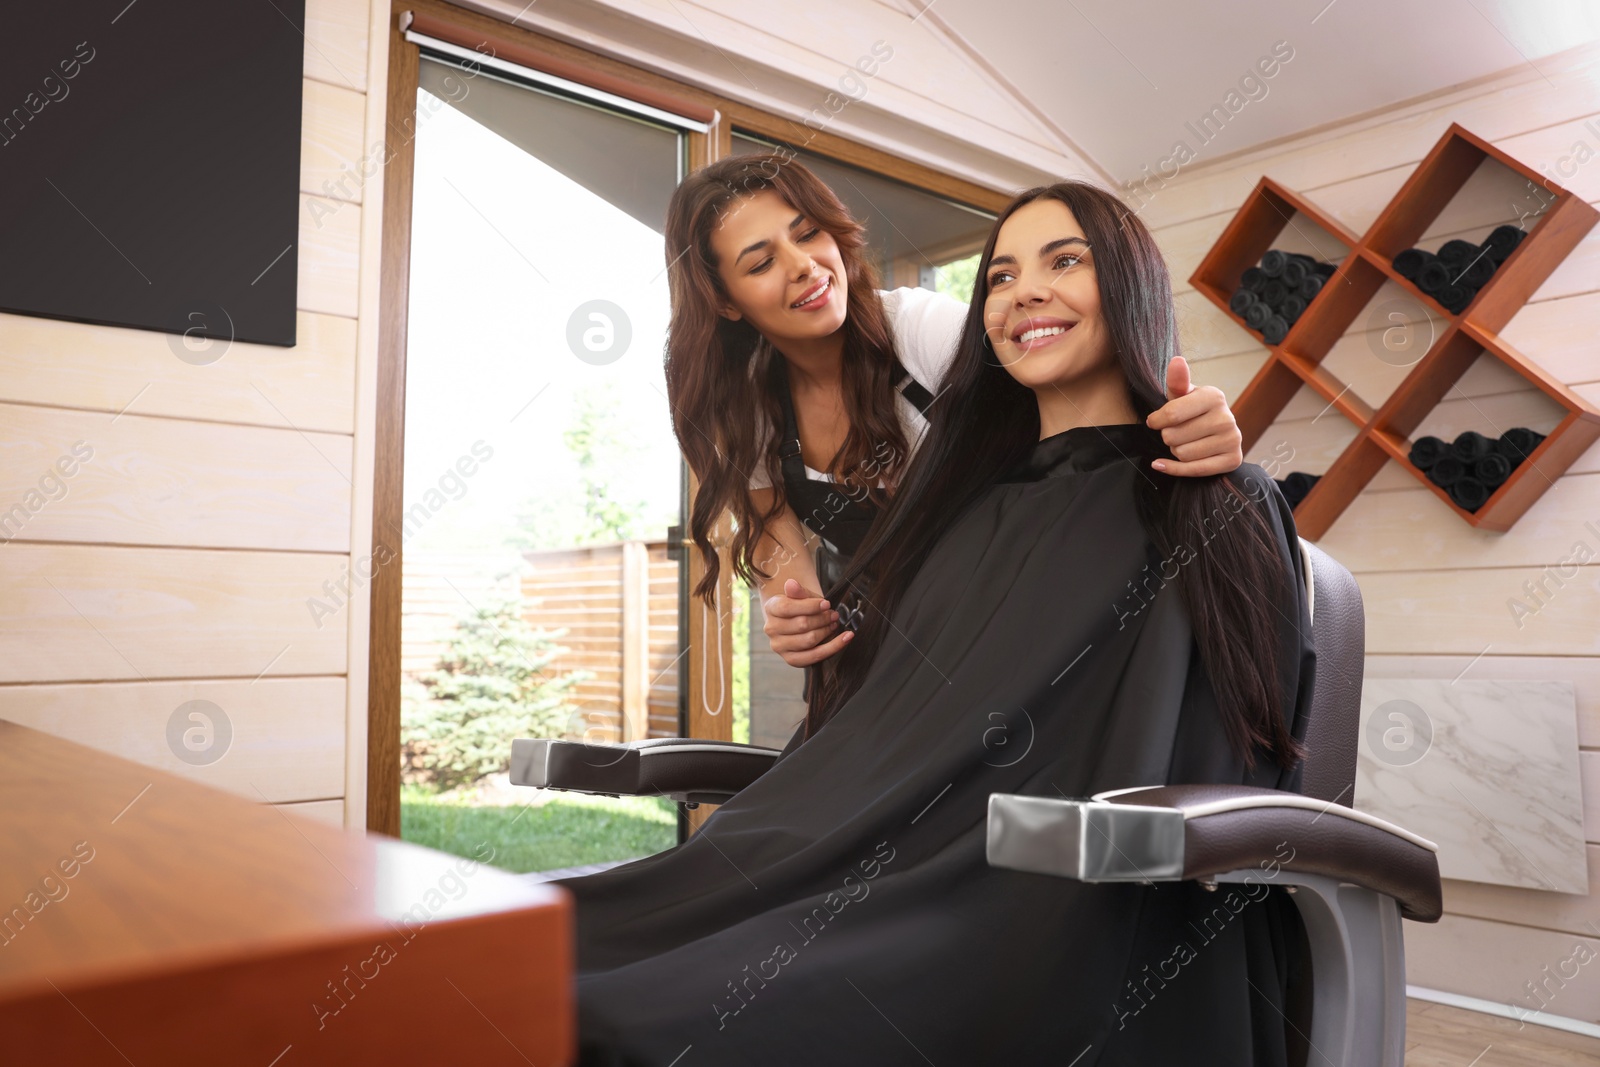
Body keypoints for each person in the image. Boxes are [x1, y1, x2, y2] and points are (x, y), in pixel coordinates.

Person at [557, 178, 1315, 1065]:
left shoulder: (1207, 501)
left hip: (1046, 900)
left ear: (1131, 283)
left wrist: (1212, 446)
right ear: (725, 298)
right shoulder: (952, 521)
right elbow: (793, 571)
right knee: (551, 959)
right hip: (875, 833)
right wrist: (801, 618)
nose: (1025, 291)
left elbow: (1227, 756)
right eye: (1000, 275)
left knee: (659, 1020)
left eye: (1065, 261)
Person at [663, 152, 1245, 673]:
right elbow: (770, 527)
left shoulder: (918, 331)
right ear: (722, 299)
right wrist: (789, 609)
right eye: (761, 264)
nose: (805, 266)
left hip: (1008, 625)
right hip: (883, 654)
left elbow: (1072, 386)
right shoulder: (738, 406)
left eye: (808, 233)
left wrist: (1186, 427)